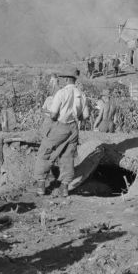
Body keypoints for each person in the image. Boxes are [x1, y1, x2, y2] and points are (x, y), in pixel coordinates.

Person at [34, 68, 89, 197]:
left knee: (45, 152)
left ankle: (41, 185)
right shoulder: (81, 94)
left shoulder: (61, 93)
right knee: (68, 156)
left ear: (66, 79)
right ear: (74, 80)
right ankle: (64, 188)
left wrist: (47, 113)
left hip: (61, 125)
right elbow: (85, 116)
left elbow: (53, 115)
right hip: (74, 127)